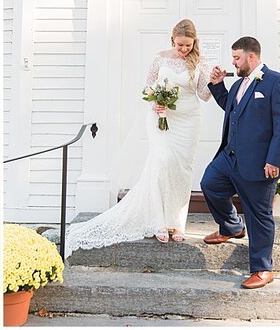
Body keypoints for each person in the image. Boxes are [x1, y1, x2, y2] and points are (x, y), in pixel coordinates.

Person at [61, 20, 213, 256]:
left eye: (188, 45)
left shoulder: (199, 62)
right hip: (161, 119)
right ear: (173, 38)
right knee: (162, 162)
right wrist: (157, 103)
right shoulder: (159, 58)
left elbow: (203, 96)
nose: (184, 49)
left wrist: (214, 80)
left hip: (189, 122)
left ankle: (177, 222)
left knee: (182, 170)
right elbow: (147, 88)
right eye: (181, 44)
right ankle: (158, 220)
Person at [201, 36, 280, 290]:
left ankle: (263, 268)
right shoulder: (238, 84)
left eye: (236, 58)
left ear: (251, 57)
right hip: (229, 157)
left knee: (259, 214)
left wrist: (274, 160)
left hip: (259, 163)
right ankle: (231, 226)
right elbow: (231, 108)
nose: (233, 62)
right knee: (209, 184)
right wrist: (218, 85)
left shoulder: (277, 82)